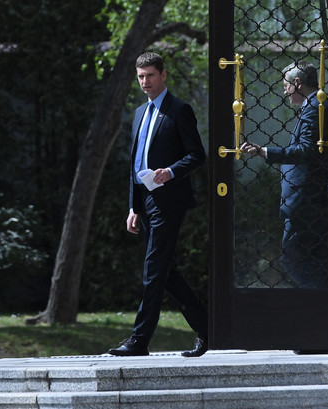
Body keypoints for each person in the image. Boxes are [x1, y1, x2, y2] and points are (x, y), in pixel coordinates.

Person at [107, 52, 209, 358]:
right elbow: (135, 165)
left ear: (163, 75)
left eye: (150, 75)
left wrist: (171, 171)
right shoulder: (139, 113)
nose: (145, 82)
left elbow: (197, 154)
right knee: (166, 272)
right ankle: (208, 328)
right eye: (140, 77)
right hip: (146, 201)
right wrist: (133, 207)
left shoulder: (180, 110)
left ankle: (140, 340)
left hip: (169, 200)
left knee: (153, 269)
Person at [241, 60, 328, 289]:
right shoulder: (314, 105)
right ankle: (322, 304)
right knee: (311, 260)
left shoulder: (314, 108)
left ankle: (318, 306)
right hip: (308, 200)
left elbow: (306, 150)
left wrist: (263, 151)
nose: (284, 91)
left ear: (297, 83)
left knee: (293, 259)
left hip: (306, 201)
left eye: (285, 86)